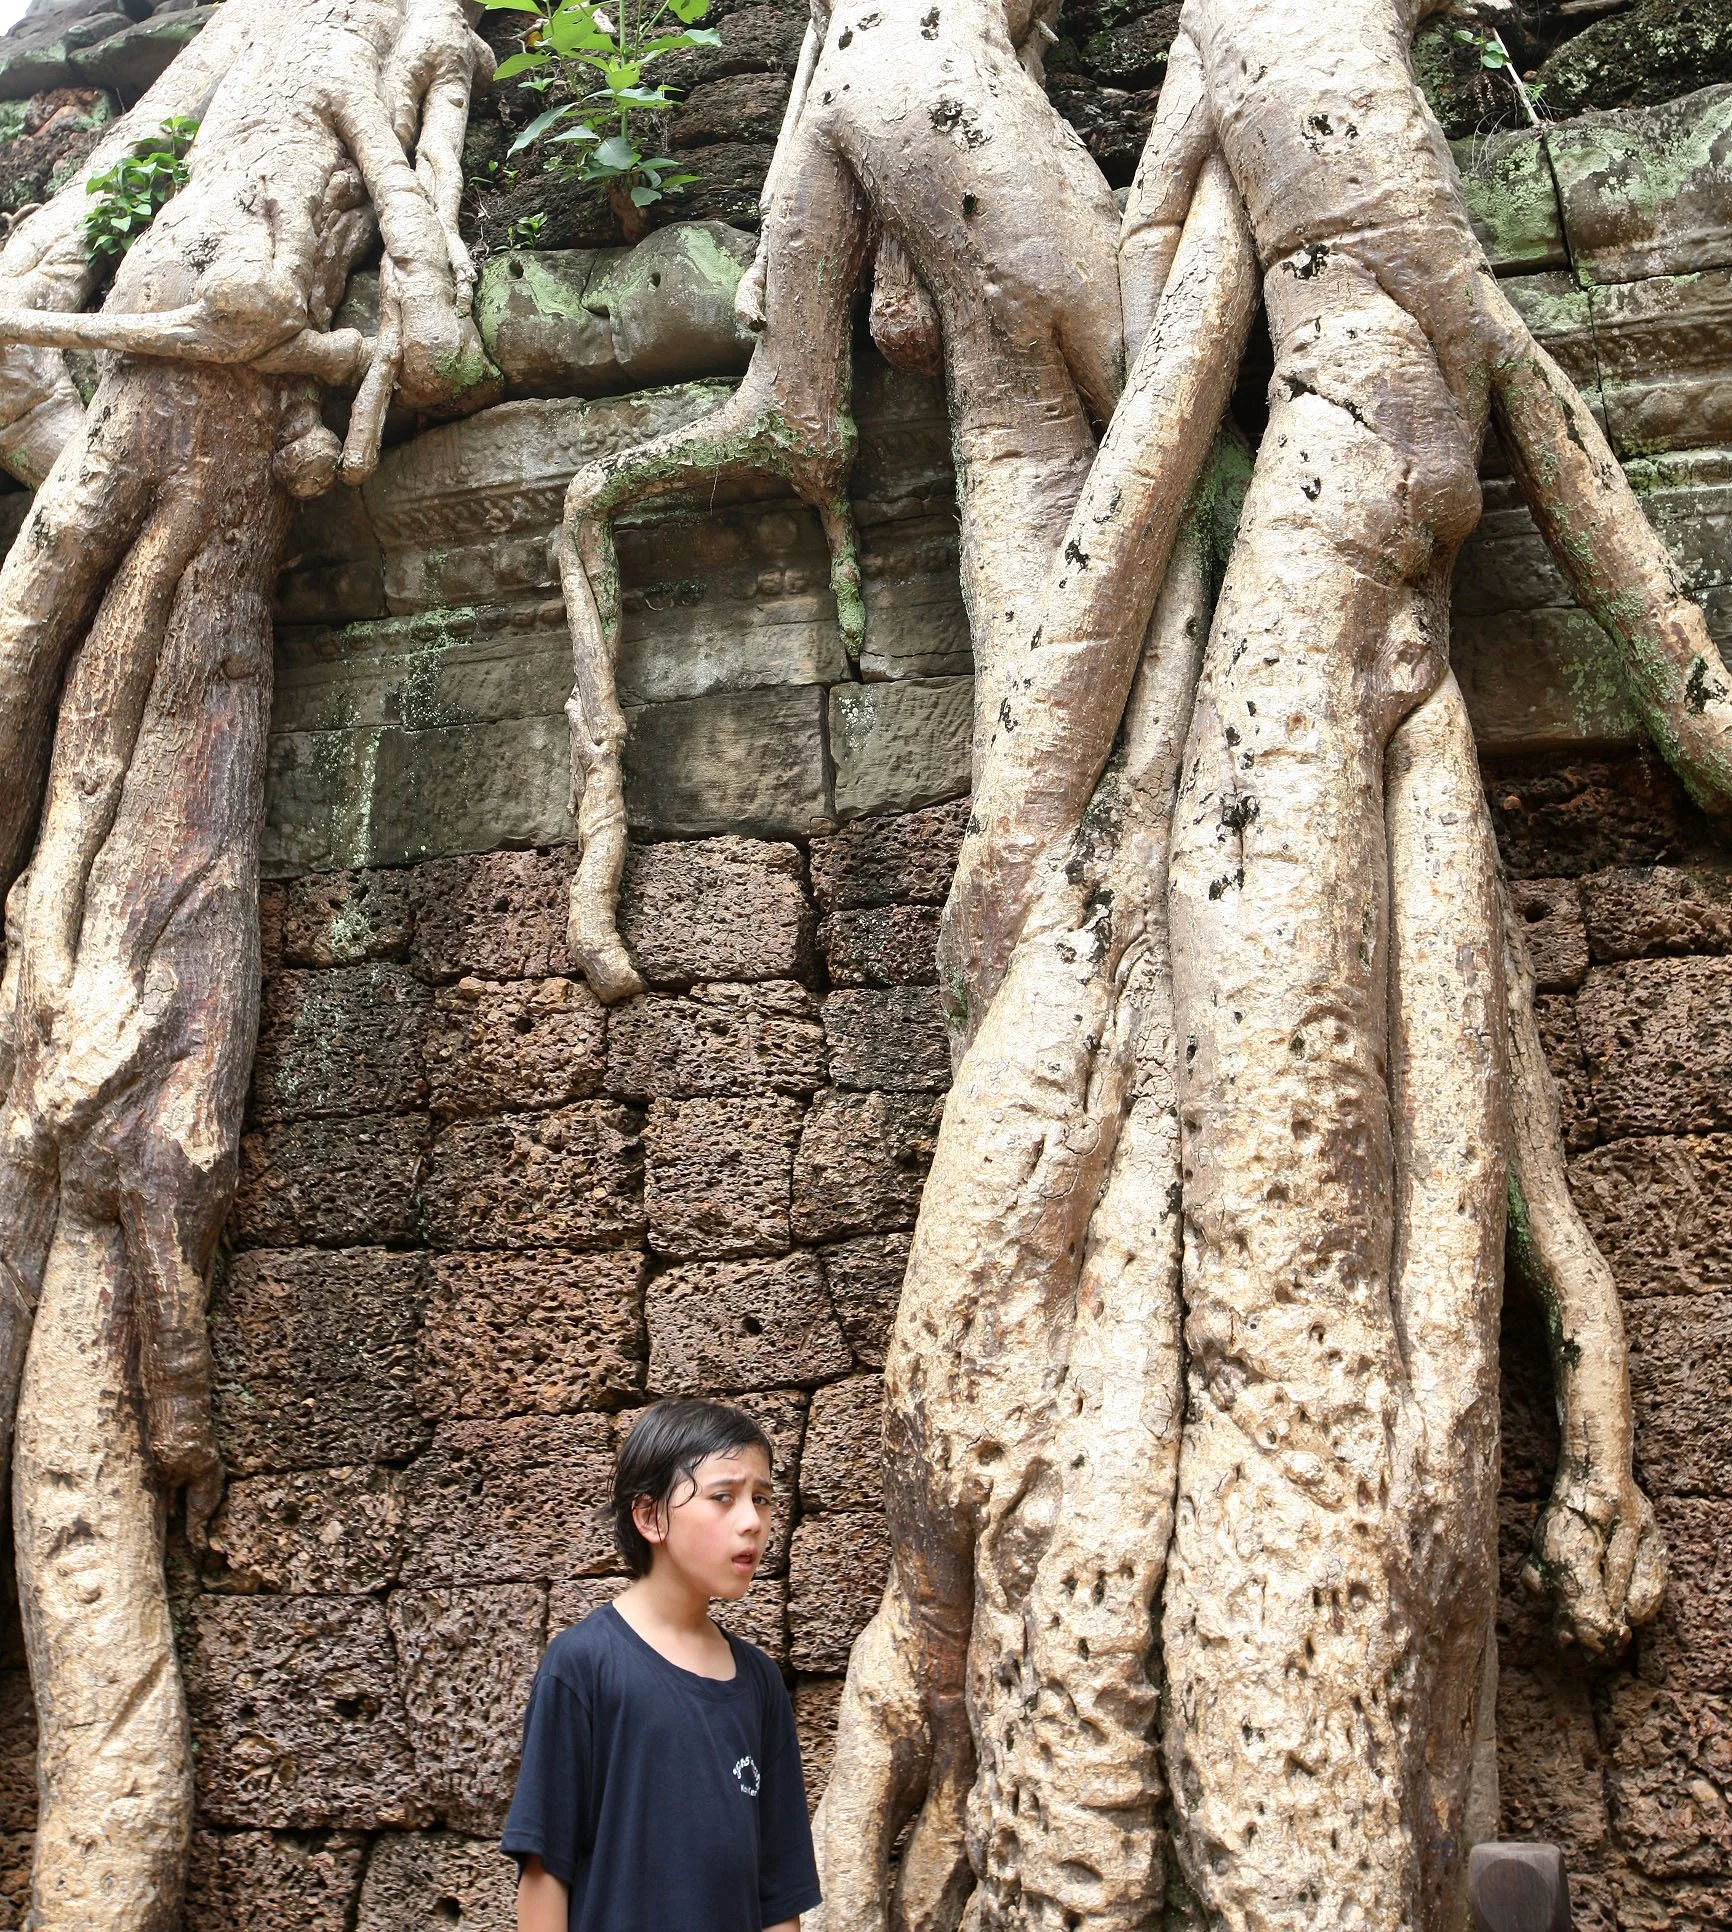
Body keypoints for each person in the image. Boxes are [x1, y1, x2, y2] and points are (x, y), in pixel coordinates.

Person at [502, 1397, 823, 1932]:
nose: (753, 1522)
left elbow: (779, 1887)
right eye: (723, 1497)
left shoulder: (759, 1682)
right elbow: (544, 1868)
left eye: (763, 1498)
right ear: (650, 1515)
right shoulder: (583, 1664)